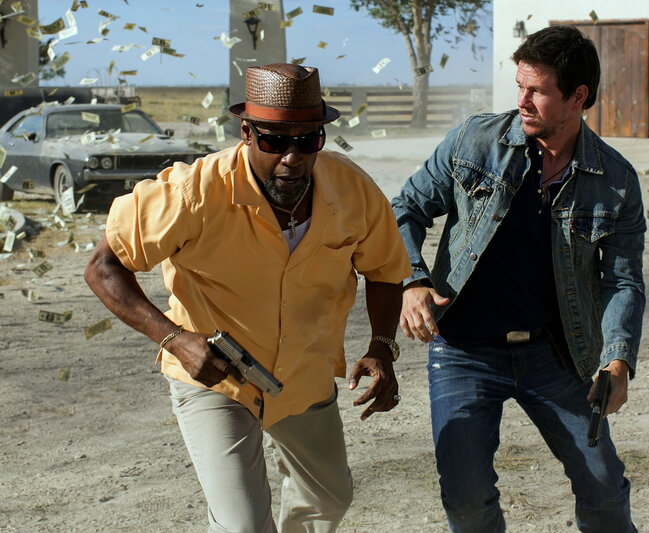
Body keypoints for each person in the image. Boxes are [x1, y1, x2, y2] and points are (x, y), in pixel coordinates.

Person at [84, 63, 411, 533]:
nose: (292, 157)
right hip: (216, 378)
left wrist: (382, 347)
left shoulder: (352, 189)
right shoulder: (192, 192)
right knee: (242, 526)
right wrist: (174, 339)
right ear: (246, 133)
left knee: (329, 500)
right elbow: (103, 268)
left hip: (304, 375)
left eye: (308, 140)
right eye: (275, 142)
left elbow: (385, 271)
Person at [392, 26, 646, 533]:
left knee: (603, 485)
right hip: (463, 350)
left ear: (578, 96)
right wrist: (412, 280)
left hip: (558, 352)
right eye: (520, 86)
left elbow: (622, 281)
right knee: (466, 498)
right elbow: (405, 209)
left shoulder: (616, 180)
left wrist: (617, 360)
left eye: (537, 90)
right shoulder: (475, 140)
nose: (522, 101)